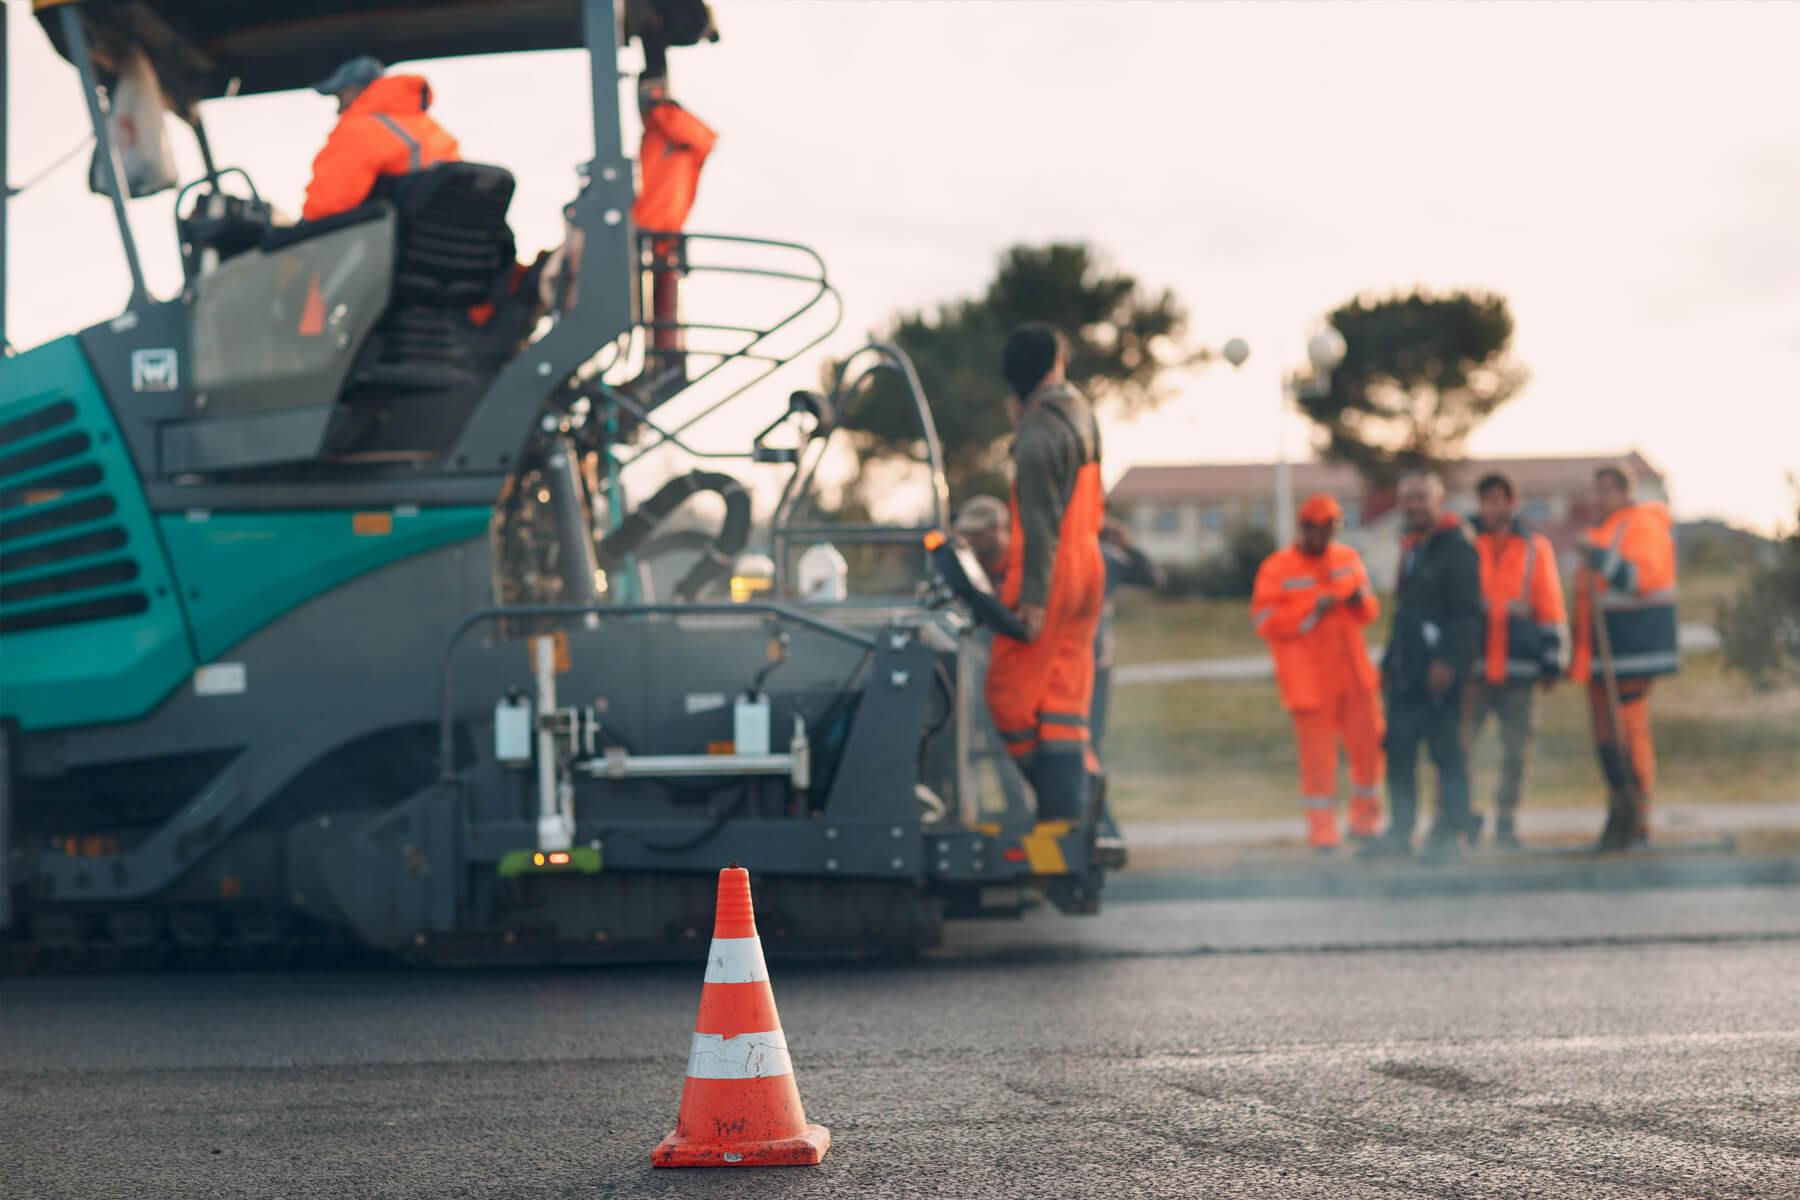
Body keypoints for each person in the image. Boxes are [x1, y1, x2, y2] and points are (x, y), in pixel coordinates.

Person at [984, 324, 1107, 821]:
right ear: (1053, 362)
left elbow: (1037, 522)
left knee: (1008, 694)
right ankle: (1079, 805)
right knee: (1061, 700)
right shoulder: (1081, 413)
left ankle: (1064, 802)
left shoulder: (1036, 431)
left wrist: (1032, 599)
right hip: (1087, 568)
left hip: (1049, 573)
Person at [1250, 493, 1385, 852]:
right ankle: (1323, 834)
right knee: (1317, 762)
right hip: (1310, 682)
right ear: (1303, 528)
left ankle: (1365, 824)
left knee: (1369, 750)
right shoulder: (1277, 567)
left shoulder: (1347, 559)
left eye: (1330, 529)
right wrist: (1312, 609)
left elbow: (1370, 610)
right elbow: (1263, 621)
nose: (1322, 536)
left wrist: (1359, 602)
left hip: (1353, 675)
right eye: (1316, 529)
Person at [1363, 471, 1482, 863]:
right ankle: (1400, 832)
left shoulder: (1456, 547)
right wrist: (1388, 662)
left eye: (1421, 498)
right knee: (1398, 755)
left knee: (1447, 756)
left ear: (1439, 501)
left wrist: (1449, 661)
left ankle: (1452, 831)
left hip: (1440, 677)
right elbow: (1404, 615)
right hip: (1405, 676)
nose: (1413, 505)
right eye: (1408, 498)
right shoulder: (1412, 547)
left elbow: (1466, 614)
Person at [1569, 462, 1679, 850]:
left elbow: (1640, 579)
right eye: (1592, 491)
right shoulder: (1605, 531)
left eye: (1602, 492)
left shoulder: (1641, 525)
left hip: (1632, 651)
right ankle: (1620, 810)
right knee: (1606, 736)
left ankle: (1640, 819)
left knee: (1628, 733)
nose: (1593, 500)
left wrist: (1597, 556)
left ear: (1622, 493)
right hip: (1605, 654)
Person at [1464, 472, 1567, 850]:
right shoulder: (1466, 544)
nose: (1490, 508)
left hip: (1519, 668)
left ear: (1511, 502)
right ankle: (1467, 818)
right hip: (1474, 669)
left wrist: (1552, 659)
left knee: (1515, 751)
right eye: (1484, 500)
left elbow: (1549, 604)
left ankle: (1506, 821)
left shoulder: (1534, 548)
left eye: (1497, 500)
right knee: (1462, 749)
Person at [302, 58, 461, 222]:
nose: (338, 110)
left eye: (340, 97)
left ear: (354, 90)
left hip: (387, 241)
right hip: (435, 238)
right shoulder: (432, 130)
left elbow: (325, 207)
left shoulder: (359, 129)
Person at [1092, 517, 1163, 756]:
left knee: (1093, 733)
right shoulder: (1057, 554)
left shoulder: (1106, 557)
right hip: (1063, 659)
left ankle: (1090, 787)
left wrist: (1129, 547)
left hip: (1097, 656)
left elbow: (1151, 578)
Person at [953, 494, 1013, 586]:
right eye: (965, 533)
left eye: (976, 534)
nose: (969, 540)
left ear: (998, 528)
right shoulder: (972, 565)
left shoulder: (1025, 563)